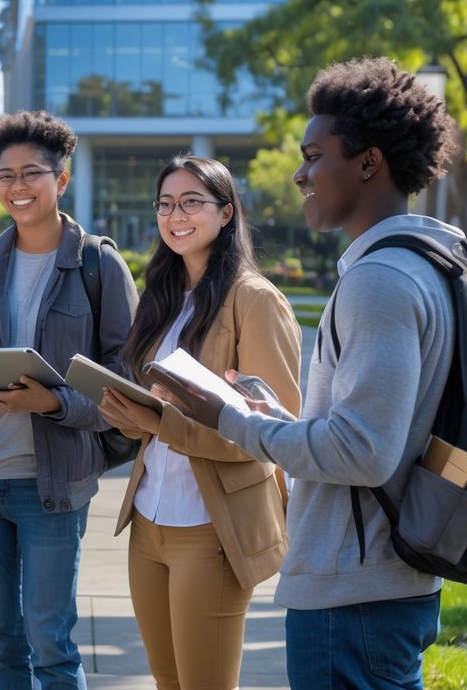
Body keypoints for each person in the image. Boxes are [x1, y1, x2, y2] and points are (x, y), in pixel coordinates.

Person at [157, 57, 460, 689]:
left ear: (368, 162)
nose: (300, 174)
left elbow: (364, 452)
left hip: (353, 591)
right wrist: (280, 418)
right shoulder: (430, 261)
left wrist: (234, 421)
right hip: (381, 580)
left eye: (313, 155)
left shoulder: (380, 280)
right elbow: (374, 430)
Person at [0, 110, 138, 689]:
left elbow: (125, 385)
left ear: (61, 180)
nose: (17, 188)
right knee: (2, 641)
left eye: (31, 174)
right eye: (5, 176)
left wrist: (51, 403)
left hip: (53, 487)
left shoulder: (98, 263)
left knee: (51, 644)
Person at [97, 155, 301, 690]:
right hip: (148, 521)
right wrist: (127, 412)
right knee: (167, 681)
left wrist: (161, 423)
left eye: (192, 202)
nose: (175, 215)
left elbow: (276, 433)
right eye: (166, 204)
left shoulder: (254, 300)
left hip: (211, 529)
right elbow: (154, 405)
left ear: (227, 213)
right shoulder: (162, 298)